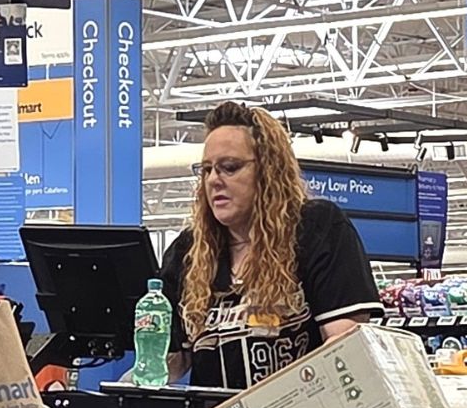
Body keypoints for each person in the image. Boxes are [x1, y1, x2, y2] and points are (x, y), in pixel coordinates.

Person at [162, 102, 382, 389]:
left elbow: (345, 346)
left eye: (230, 167)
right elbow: (168, 364)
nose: (214, 180)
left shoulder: (317, 228)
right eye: (206, 170)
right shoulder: (187, 252)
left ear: (268, 170)